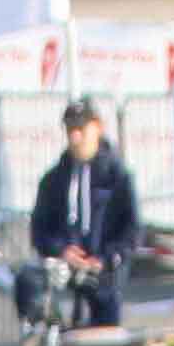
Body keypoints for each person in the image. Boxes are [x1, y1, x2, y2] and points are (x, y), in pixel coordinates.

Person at [29, 99, 142, 329]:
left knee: (105, 298)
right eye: (70, 130)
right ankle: (48, 342)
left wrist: (106, 259)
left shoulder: (118, 176)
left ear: (97, 128)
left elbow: (131, 229)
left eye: (81, 129)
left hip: (104, 269)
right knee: (28, 283)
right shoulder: (54, 179)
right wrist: (61, 250)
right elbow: (40, 229)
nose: (75, 137)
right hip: (63, 268)